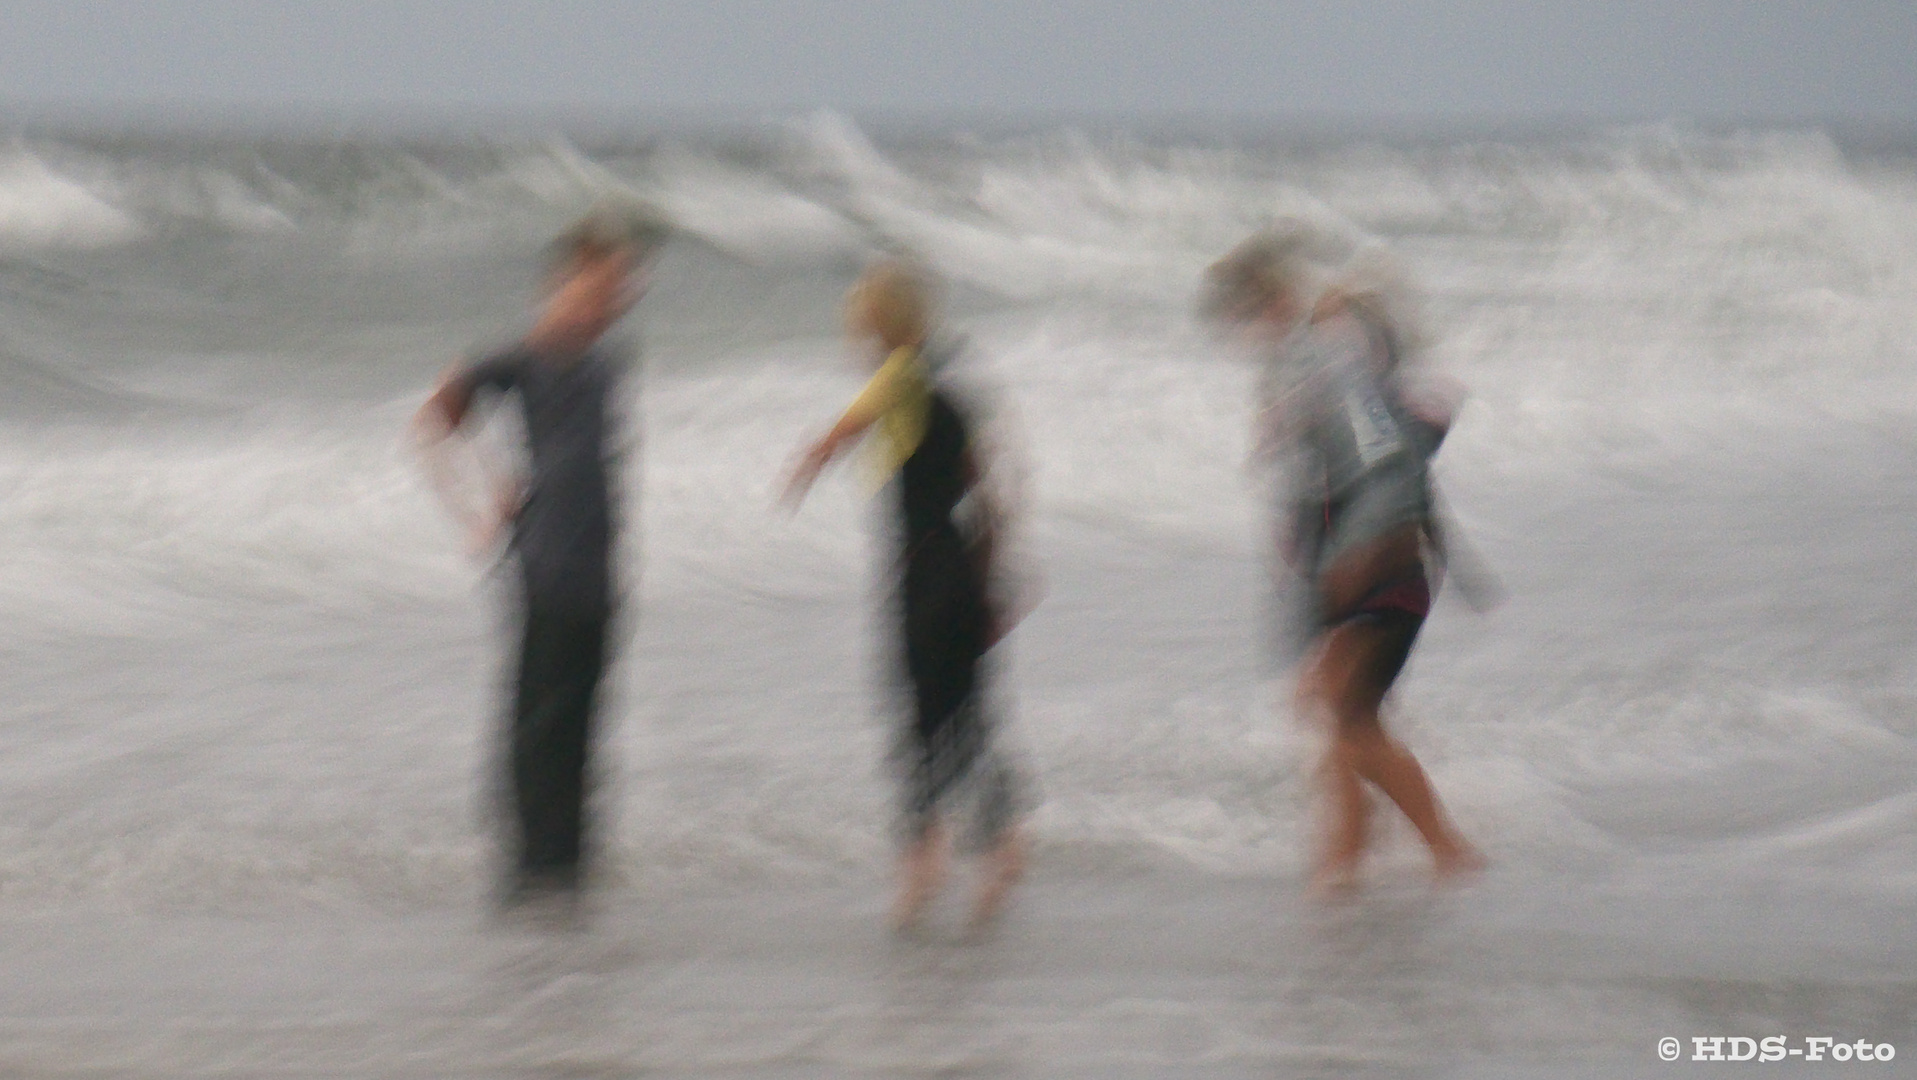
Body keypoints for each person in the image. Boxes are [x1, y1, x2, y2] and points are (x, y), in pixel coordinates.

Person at [1205, 230, 1486, 897]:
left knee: (1344, 716)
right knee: (1340, 715)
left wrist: (1352, 561)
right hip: (1387, 551)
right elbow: (1416, 426)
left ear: (1264, 304)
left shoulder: (1314, 361)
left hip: (1375, 553)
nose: (1237, 336)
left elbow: (1372, 461)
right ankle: (1344, 869)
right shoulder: (1333, 353)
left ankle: (1448, 855)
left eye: (1239, 318)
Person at [413, 204, 666, 905]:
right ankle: (531, 872)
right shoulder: (525, 355)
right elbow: (434, 419)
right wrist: (481, 502)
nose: (621, 295)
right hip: (549, 563)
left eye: (625, 285)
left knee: (584, 723)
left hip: (600, 566)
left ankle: (568, 872)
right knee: (541, 724)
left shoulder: (607, 362)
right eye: (608, 283)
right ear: (568, 281)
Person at [784, 259, 1028, 930]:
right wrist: (999, 580)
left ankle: (923, 864)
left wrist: (801, 470)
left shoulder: (900, 376)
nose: (855, 337)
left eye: (861, 324)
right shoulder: (951, 377)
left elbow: (837, 435)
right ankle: (999, 844)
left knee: (917, 710)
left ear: (881, 323)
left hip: (924, 569)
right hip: (964, 562)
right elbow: (993, 480)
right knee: (966, 709)